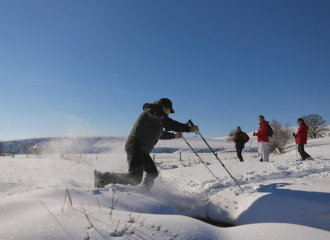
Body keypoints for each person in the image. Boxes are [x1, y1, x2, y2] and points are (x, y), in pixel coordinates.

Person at [94, 98, 199, 191]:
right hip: (135, 145)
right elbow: (166, 121)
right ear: (163, 106)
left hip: (141, 150)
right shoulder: (153, 112)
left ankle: (144, 193)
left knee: (152, 173)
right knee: (135, 178)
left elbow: (160, 134)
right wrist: (188, 128)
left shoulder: (156, 117)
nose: (168, 113)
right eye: (168, 110)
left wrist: (174, 136)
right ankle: (103, 177)